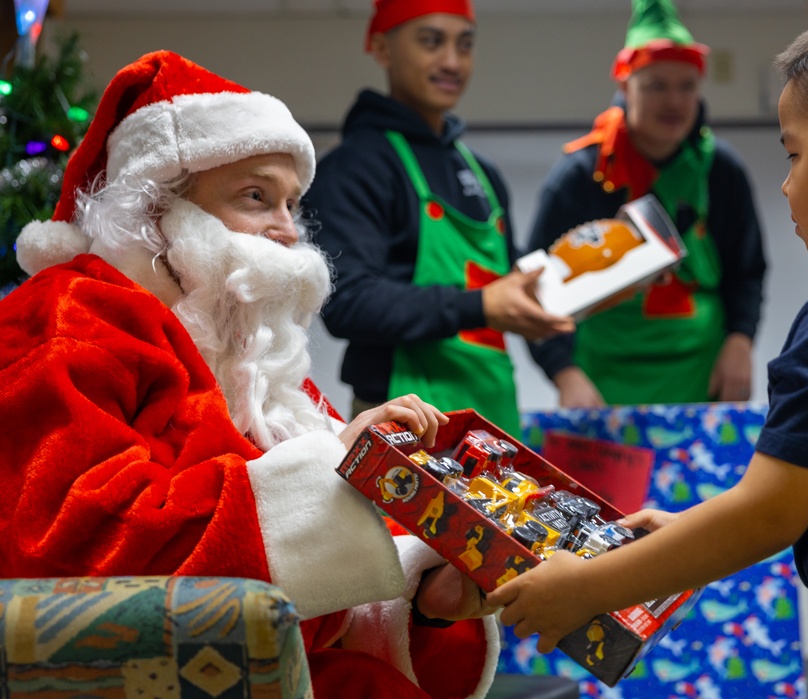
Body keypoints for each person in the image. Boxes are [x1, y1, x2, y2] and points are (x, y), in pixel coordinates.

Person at [488, 2, 808, 696]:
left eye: (793, 154)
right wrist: (692, 528)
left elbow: (767, 511)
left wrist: (587, 585)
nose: (785, 182)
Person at [1, 50, 501, 699]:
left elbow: (311, 595)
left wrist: (422, 596)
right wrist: (339, 469)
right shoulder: (75, 314)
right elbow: (72, 546)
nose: (288, 232)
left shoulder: (257, 363)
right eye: (256, 196)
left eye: (293, 204)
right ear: (157, 207)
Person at [301, 0, 574, 435]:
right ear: (382, 48)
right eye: (432, 42)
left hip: (494, 418)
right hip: (403, 423)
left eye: (465, 45)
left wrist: (596, 284)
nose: (452, 61)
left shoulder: (483, 173)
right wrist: (481, 304)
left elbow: (512, 278)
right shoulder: (355, 166)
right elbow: (347, 301)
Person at [526, 0, 766, 408]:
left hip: (701, 375)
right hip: (602, 380)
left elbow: (747, 271)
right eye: (657, 86)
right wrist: (563, 373)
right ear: (625, 86)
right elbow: (533, 287)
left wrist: (740, 342)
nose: (674, 101)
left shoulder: (721, 170)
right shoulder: (580, 174)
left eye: (686, 86)